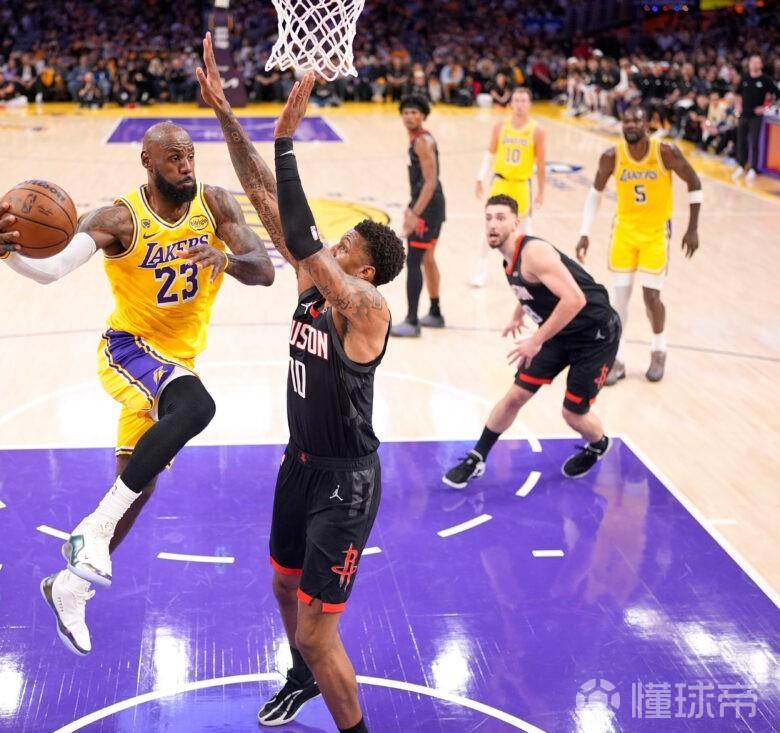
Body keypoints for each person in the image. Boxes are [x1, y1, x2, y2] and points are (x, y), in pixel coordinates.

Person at [0, 124, 275, 657]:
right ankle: (92, 531)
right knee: (198, 406)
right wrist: (7, 254)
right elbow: (52, 269)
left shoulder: (214, 204)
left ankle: (68, 587)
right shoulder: (119, 219)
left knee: (137, 485)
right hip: (128, 350)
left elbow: (264, 271)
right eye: (174, 157)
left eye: (190, 155)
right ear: (148, 162)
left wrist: (227, 261)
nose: (185, 165)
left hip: (176, 362)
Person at [197, 36, 405, 733]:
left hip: (347, 481)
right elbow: (263, 195)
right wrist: (227, 113)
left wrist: (287, 141)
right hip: (300, 465)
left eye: (346, 248)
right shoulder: (316, 283)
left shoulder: (366, 309)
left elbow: (307, 240)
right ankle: (300, 676)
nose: (331, 248)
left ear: (365, 270)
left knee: (321, 633)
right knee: (283, 583)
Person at [445, 195, 620, 489]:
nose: (492, 224)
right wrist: (518, 314)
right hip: (560, 331)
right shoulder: (508, 257)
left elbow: (575, 299)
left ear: (516, 223)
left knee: (573, 414)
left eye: (500, 218)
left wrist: (536, 340)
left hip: (595, 335)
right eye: (488, 218)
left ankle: (599, 444)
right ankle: (477, 457)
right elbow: (532, 288)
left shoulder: (534, 253)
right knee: (516, 395)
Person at [576, 104, 701, 383]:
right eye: (626, 121)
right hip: (624, 231)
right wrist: (585, 232)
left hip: (655, 232)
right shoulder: (612, 156)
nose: (631, 125)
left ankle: (659, 349)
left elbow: (693, 181)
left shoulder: (665, 152)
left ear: (647, 125)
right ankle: (617, 359)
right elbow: (595, 193)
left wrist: (692, 228)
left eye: (636, 120)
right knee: (619, 300)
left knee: (651, 298)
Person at [471, 87, 545, 287]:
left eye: (524, 101)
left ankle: (528, 273)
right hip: (501, 183)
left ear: (529, 104)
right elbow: (490, 154)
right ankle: (481, 271)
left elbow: (541, 163)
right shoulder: (500, 126)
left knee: (525, 232)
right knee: (489, 227)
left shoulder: (537, 130)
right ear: (511, 103)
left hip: (521, 185)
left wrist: (541, 191)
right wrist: (479, 178)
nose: (520, 104)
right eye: (517, 100)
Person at [392, 94, 446, 337]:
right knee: (428, 259)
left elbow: (430, 182)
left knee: (414, 261)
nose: (410, 116)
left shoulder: (422, 141)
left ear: (423, 115)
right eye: (406, 112)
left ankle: (412, 321)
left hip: (428, 209)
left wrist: (414, 212)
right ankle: (435, 313)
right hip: (431, 205)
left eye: (414, 112)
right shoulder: (418, 139)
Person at [732, 55, 776, 182]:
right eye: (753, 62)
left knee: (754, 142)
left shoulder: (766, 80)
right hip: (743, 114)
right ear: (749, 64)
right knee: (741, 141)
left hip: (756, 117)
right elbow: (737, 94)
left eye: (757, 62)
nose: (755, 64)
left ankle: (753, 168)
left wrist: (765, 107)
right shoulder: (745, 77)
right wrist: (738, 106)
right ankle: (741, 165)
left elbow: (776, 96)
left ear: (761, 65)